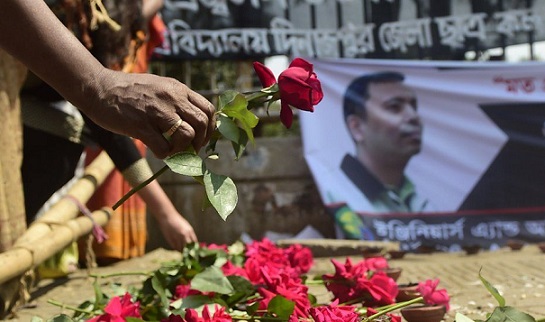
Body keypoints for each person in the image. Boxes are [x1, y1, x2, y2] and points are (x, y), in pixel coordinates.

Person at [0, 0, 214, 253]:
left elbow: (110, 131)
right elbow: (112, 135)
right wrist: (166, 213)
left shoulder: (79, 28)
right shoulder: (74, 29)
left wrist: (166, 214)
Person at [329, 71, 431, 239]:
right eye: (394, 107)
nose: (414, 117)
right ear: (357, 127)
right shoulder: (336, 192)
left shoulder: (420, 197)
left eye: (414, 106)